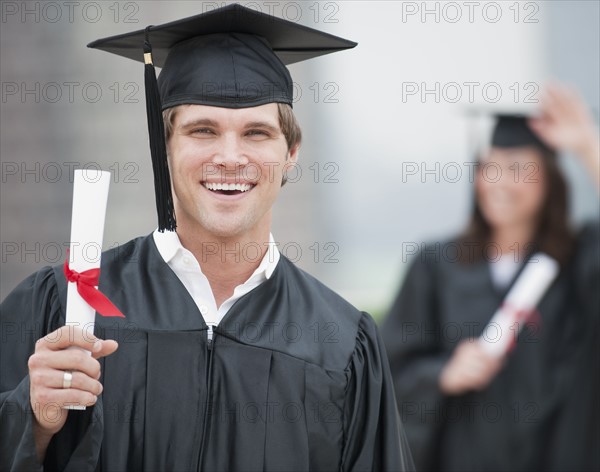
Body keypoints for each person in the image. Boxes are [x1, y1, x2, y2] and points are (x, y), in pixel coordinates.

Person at [0, 5, 414, 471]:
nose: (230, 157)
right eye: (203, 130)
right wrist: (30, 420)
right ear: (165, 145)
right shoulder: (63, 307)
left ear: (292, 152)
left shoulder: (341, 343)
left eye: (256, 133)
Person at [382, 84, 599, 471]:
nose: (499, 181)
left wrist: (588, 146)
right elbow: (386, 371)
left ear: (550, 180)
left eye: (518, 169)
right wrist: (442, 374)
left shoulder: (578, 262)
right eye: (490, 166)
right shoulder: (436, 265)